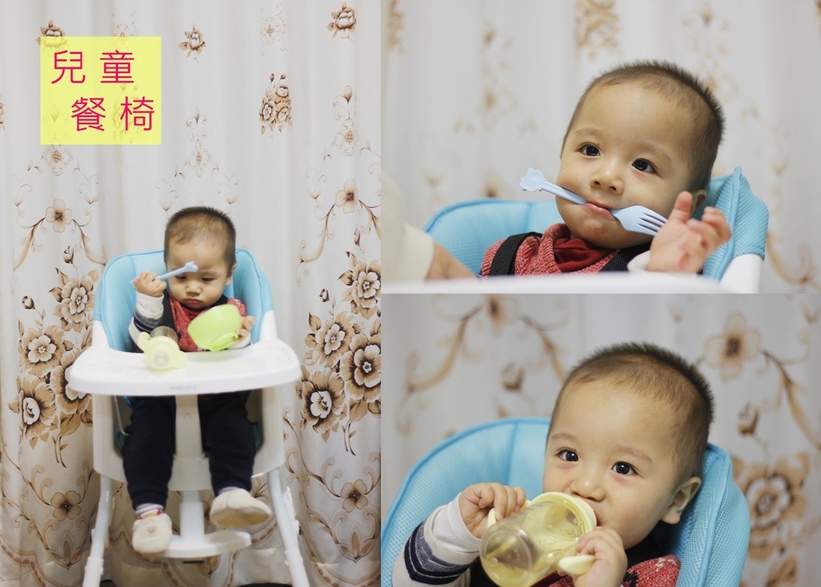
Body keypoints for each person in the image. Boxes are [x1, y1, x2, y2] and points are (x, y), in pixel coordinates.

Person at [393, 342, 715, 586]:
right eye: (569, 455)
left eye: (623, 468)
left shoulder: (654, 575)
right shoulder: (509, 540)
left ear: (675, 500)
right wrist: (458, 534)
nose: (584, 487)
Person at [122, 206, 271, 555]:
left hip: (215, 402)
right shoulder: (162, 306)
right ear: (168, 268)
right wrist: (147, 300)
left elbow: (238, 359)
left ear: (228, 275)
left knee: (234, 428)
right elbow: (141, 341)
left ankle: (232, 494)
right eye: (182, 277)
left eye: (206, 279)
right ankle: (150, 516)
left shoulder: (231, 311)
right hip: (162, 403)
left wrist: (240, 339)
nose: (192, 288)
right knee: (144, 436)